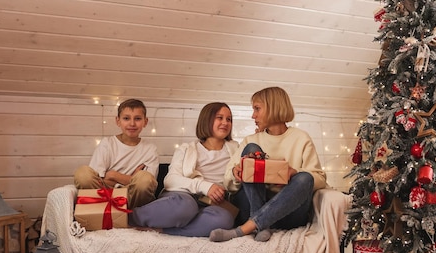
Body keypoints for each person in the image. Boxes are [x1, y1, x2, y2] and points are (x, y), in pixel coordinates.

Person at [209, 86, 327, 242]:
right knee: (251, 150)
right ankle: (261, 225)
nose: (253, 115)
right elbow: (228, 183)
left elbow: (319, 179)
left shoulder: (301, 138)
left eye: (257, 109)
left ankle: (246, 228)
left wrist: (294, 173)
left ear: (273, 108)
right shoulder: (251, 140)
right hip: (252, 208)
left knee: (305, 177)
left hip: (288, 214)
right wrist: (236, 174)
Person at [129, 102, 239, 236]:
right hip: (182, 196)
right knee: (186, 207)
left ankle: (164, 230)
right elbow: (170, 180)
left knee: (225, 219)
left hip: (211, 204)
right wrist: (205, 186)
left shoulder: (236, 149)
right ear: (207, 120)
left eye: (229, 119)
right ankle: (128, 218)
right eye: (219, 118)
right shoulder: (186, 149)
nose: (225, 123)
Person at [73, 98, 159, 209]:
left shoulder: (150, 149)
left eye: (137, 118)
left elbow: (148, 183)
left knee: (144, 178)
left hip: (131, 198)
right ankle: (105, 209)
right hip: (105, 194)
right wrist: (131, 178)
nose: (132, 123)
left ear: (145, 122)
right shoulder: (107, 144)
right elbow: (97, 179)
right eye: (126, 118)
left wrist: (114, 175)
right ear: (118, 121)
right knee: (83, 174)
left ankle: (130, 214)